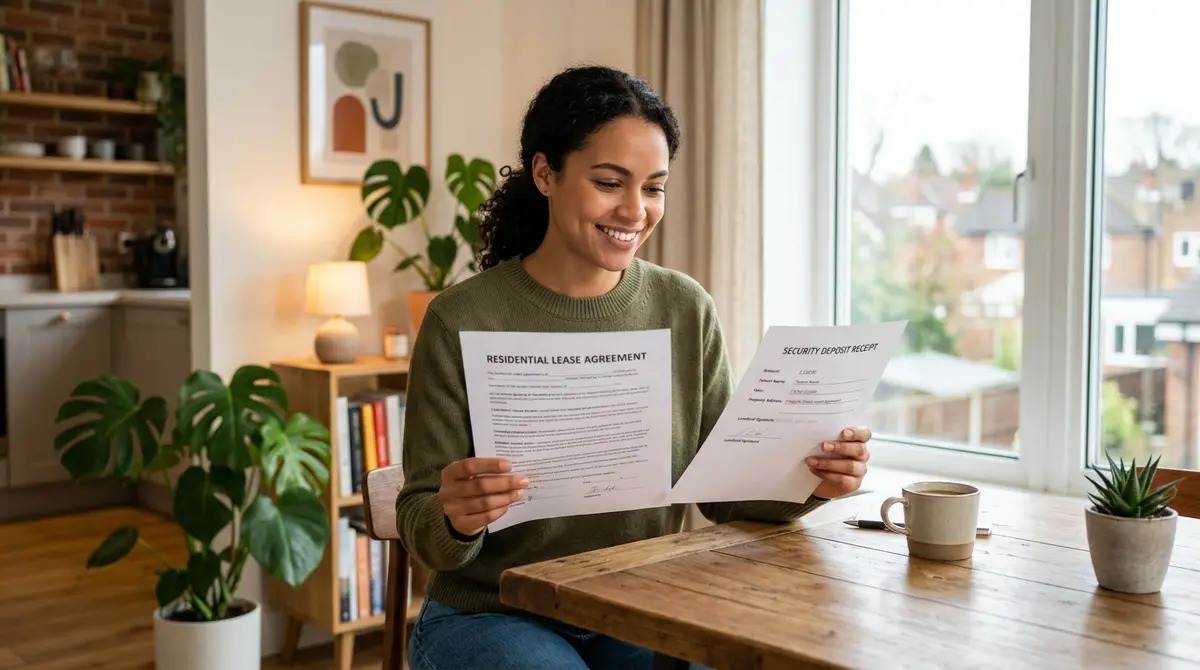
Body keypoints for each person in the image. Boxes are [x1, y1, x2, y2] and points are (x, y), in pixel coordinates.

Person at [395, 64, 872, 670]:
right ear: (546, 173)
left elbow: (723, 492)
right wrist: (455, 517)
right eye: (609, 182)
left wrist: (812, 480)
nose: (635, 210)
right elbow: (420, 521)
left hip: (641, 601)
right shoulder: (460, 318)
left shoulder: (683, 306)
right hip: (494, 610)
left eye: (654, 187)